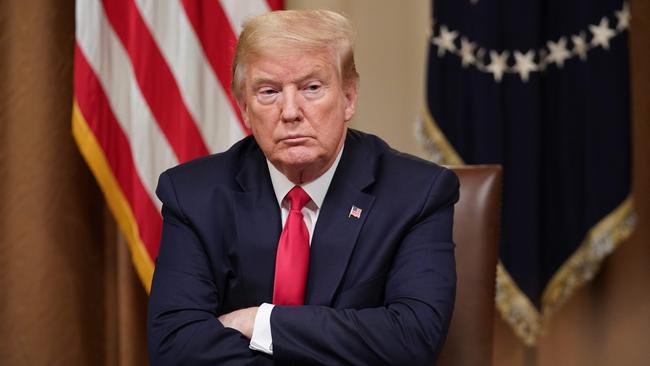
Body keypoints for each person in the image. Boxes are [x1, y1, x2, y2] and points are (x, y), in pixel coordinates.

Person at [148, 9, 458, 366]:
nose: (291, 111)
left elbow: (412, 338)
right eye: (269, 91)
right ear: (244, 109)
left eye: (312, 87)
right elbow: (174, 347)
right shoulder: (192, 195)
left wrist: (259, 322)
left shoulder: (417, 193)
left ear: (349, 97)